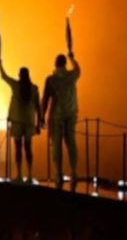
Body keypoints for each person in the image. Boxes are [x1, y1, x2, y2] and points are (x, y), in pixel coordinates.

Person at [0, 57, 42, 182]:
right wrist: (39, 123)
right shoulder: (34, 89)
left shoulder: (16, 86)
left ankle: (20, 175)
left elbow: (4, 76)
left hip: (17, 121)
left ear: (20, 75)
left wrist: (0, 64)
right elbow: (38, 107)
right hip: (29, 123)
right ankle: (30, 174)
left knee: (18, 149)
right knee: (28, 148)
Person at [42, 51, 81, 190]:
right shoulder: (72, 76)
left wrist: (42, 117)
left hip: (57, 116)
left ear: (55, 64)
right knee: (71, 143)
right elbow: (78, 68)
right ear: (65, 63)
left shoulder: (51, 79)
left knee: (56, 145)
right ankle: (74, 172)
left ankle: (58, 173)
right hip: (71, 113)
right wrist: (72, 57)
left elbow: (45, 99)